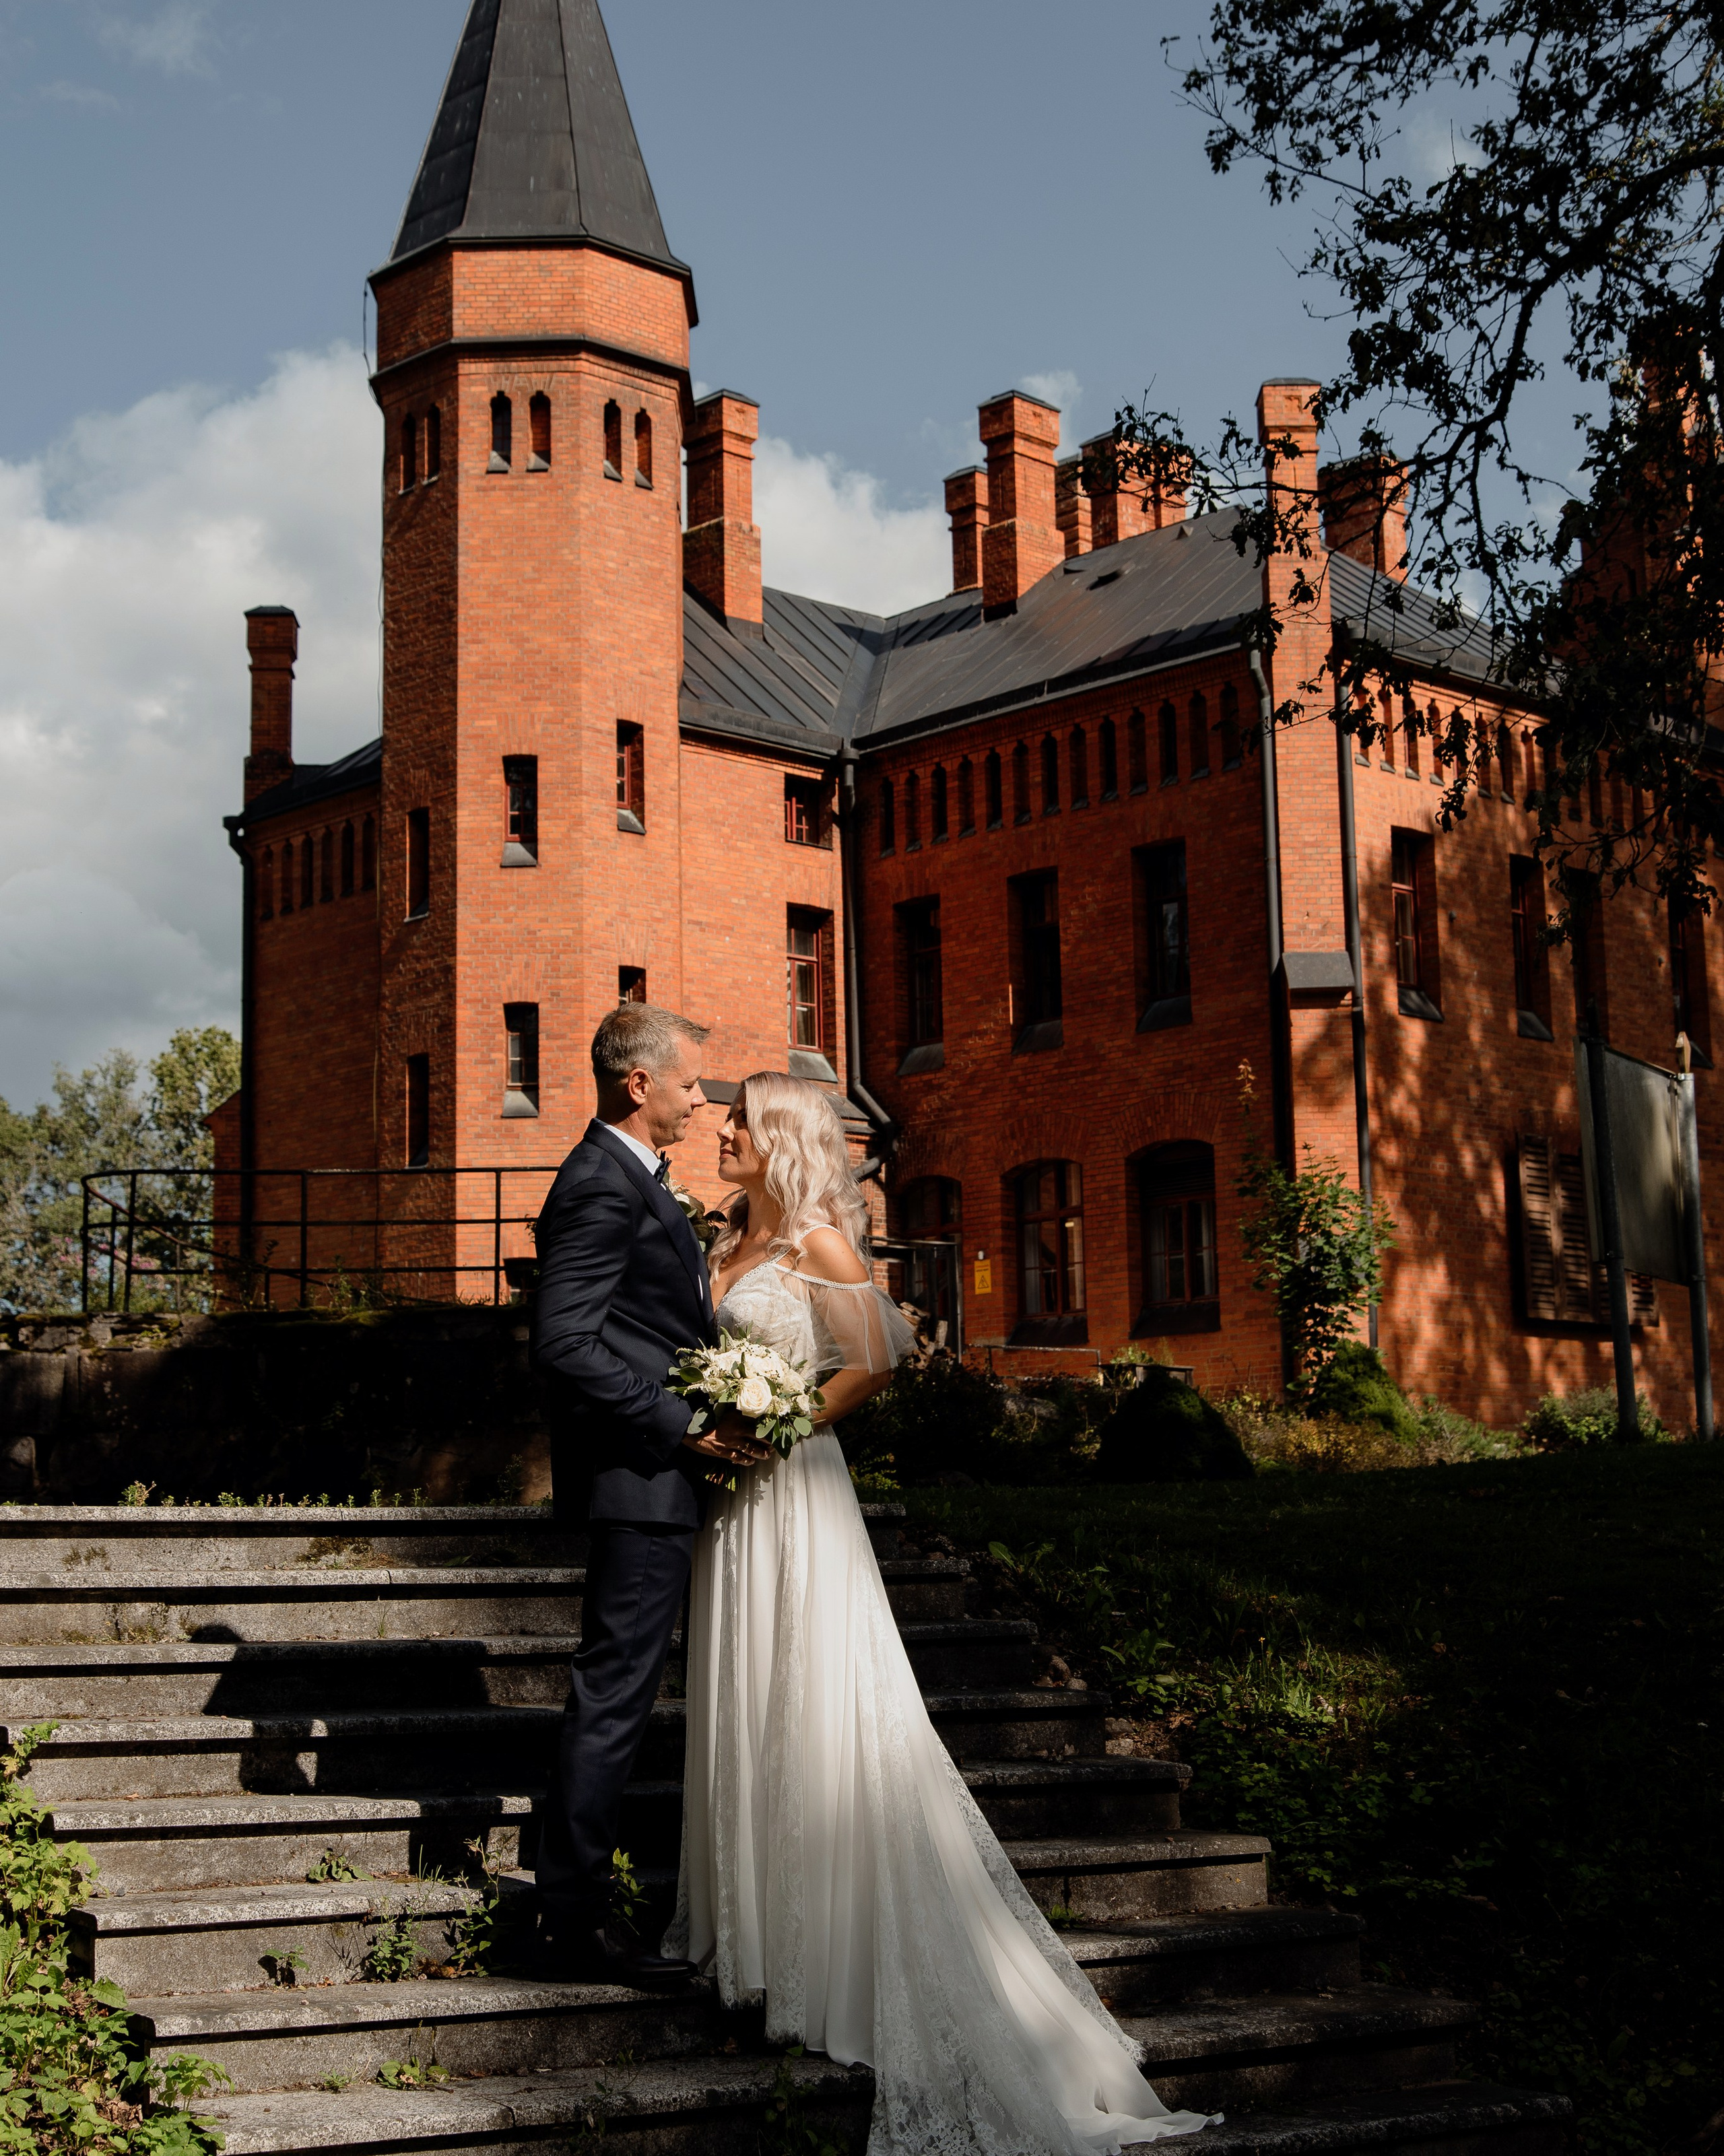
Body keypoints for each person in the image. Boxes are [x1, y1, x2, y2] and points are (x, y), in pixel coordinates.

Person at [667, 1069, 1218, 2154]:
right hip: (726, 1502)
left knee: (810, 1702)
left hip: (793, 1490)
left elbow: (882, 1356)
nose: (722, 1130)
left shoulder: (817, 1242)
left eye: (739, 1121)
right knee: (744, 1697)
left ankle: (824, 1957)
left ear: (780, 1138)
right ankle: (757, 1942)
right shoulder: (725, 1234)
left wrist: (781, 1422)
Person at [530, 1003, 770, 1987]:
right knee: (615, 1695)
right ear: (639, 1083)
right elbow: (565, 1342)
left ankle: (576, 1905)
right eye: (689, 1082)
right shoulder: (599, 1182)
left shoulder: (633, 1176)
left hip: (659, 1481)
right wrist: (680, 1424)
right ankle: (571, 1921)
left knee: (621, 1692)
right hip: (641, 1480)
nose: (700, 1099)